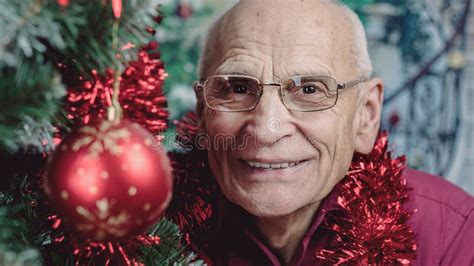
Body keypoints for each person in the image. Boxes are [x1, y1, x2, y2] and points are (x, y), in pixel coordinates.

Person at [186, 0, 474, 265]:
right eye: (238, 88)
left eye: (309, 90)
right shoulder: (150, 223)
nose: (265, 130)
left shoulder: (452, 235)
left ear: (366, 114)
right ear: (202, 112)